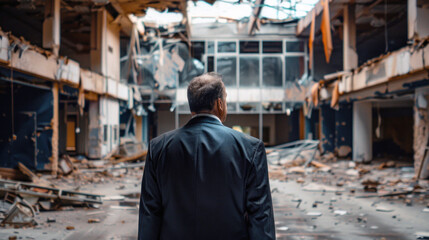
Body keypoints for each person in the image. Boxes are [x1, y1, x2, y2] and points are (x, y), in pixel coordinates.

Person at [138, 72, 275, 240]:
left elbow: (150, 215)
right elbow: (260, 216)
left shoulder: (158, 148)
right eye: (225, 98)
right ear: (219, 104)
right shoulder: (250, 148)